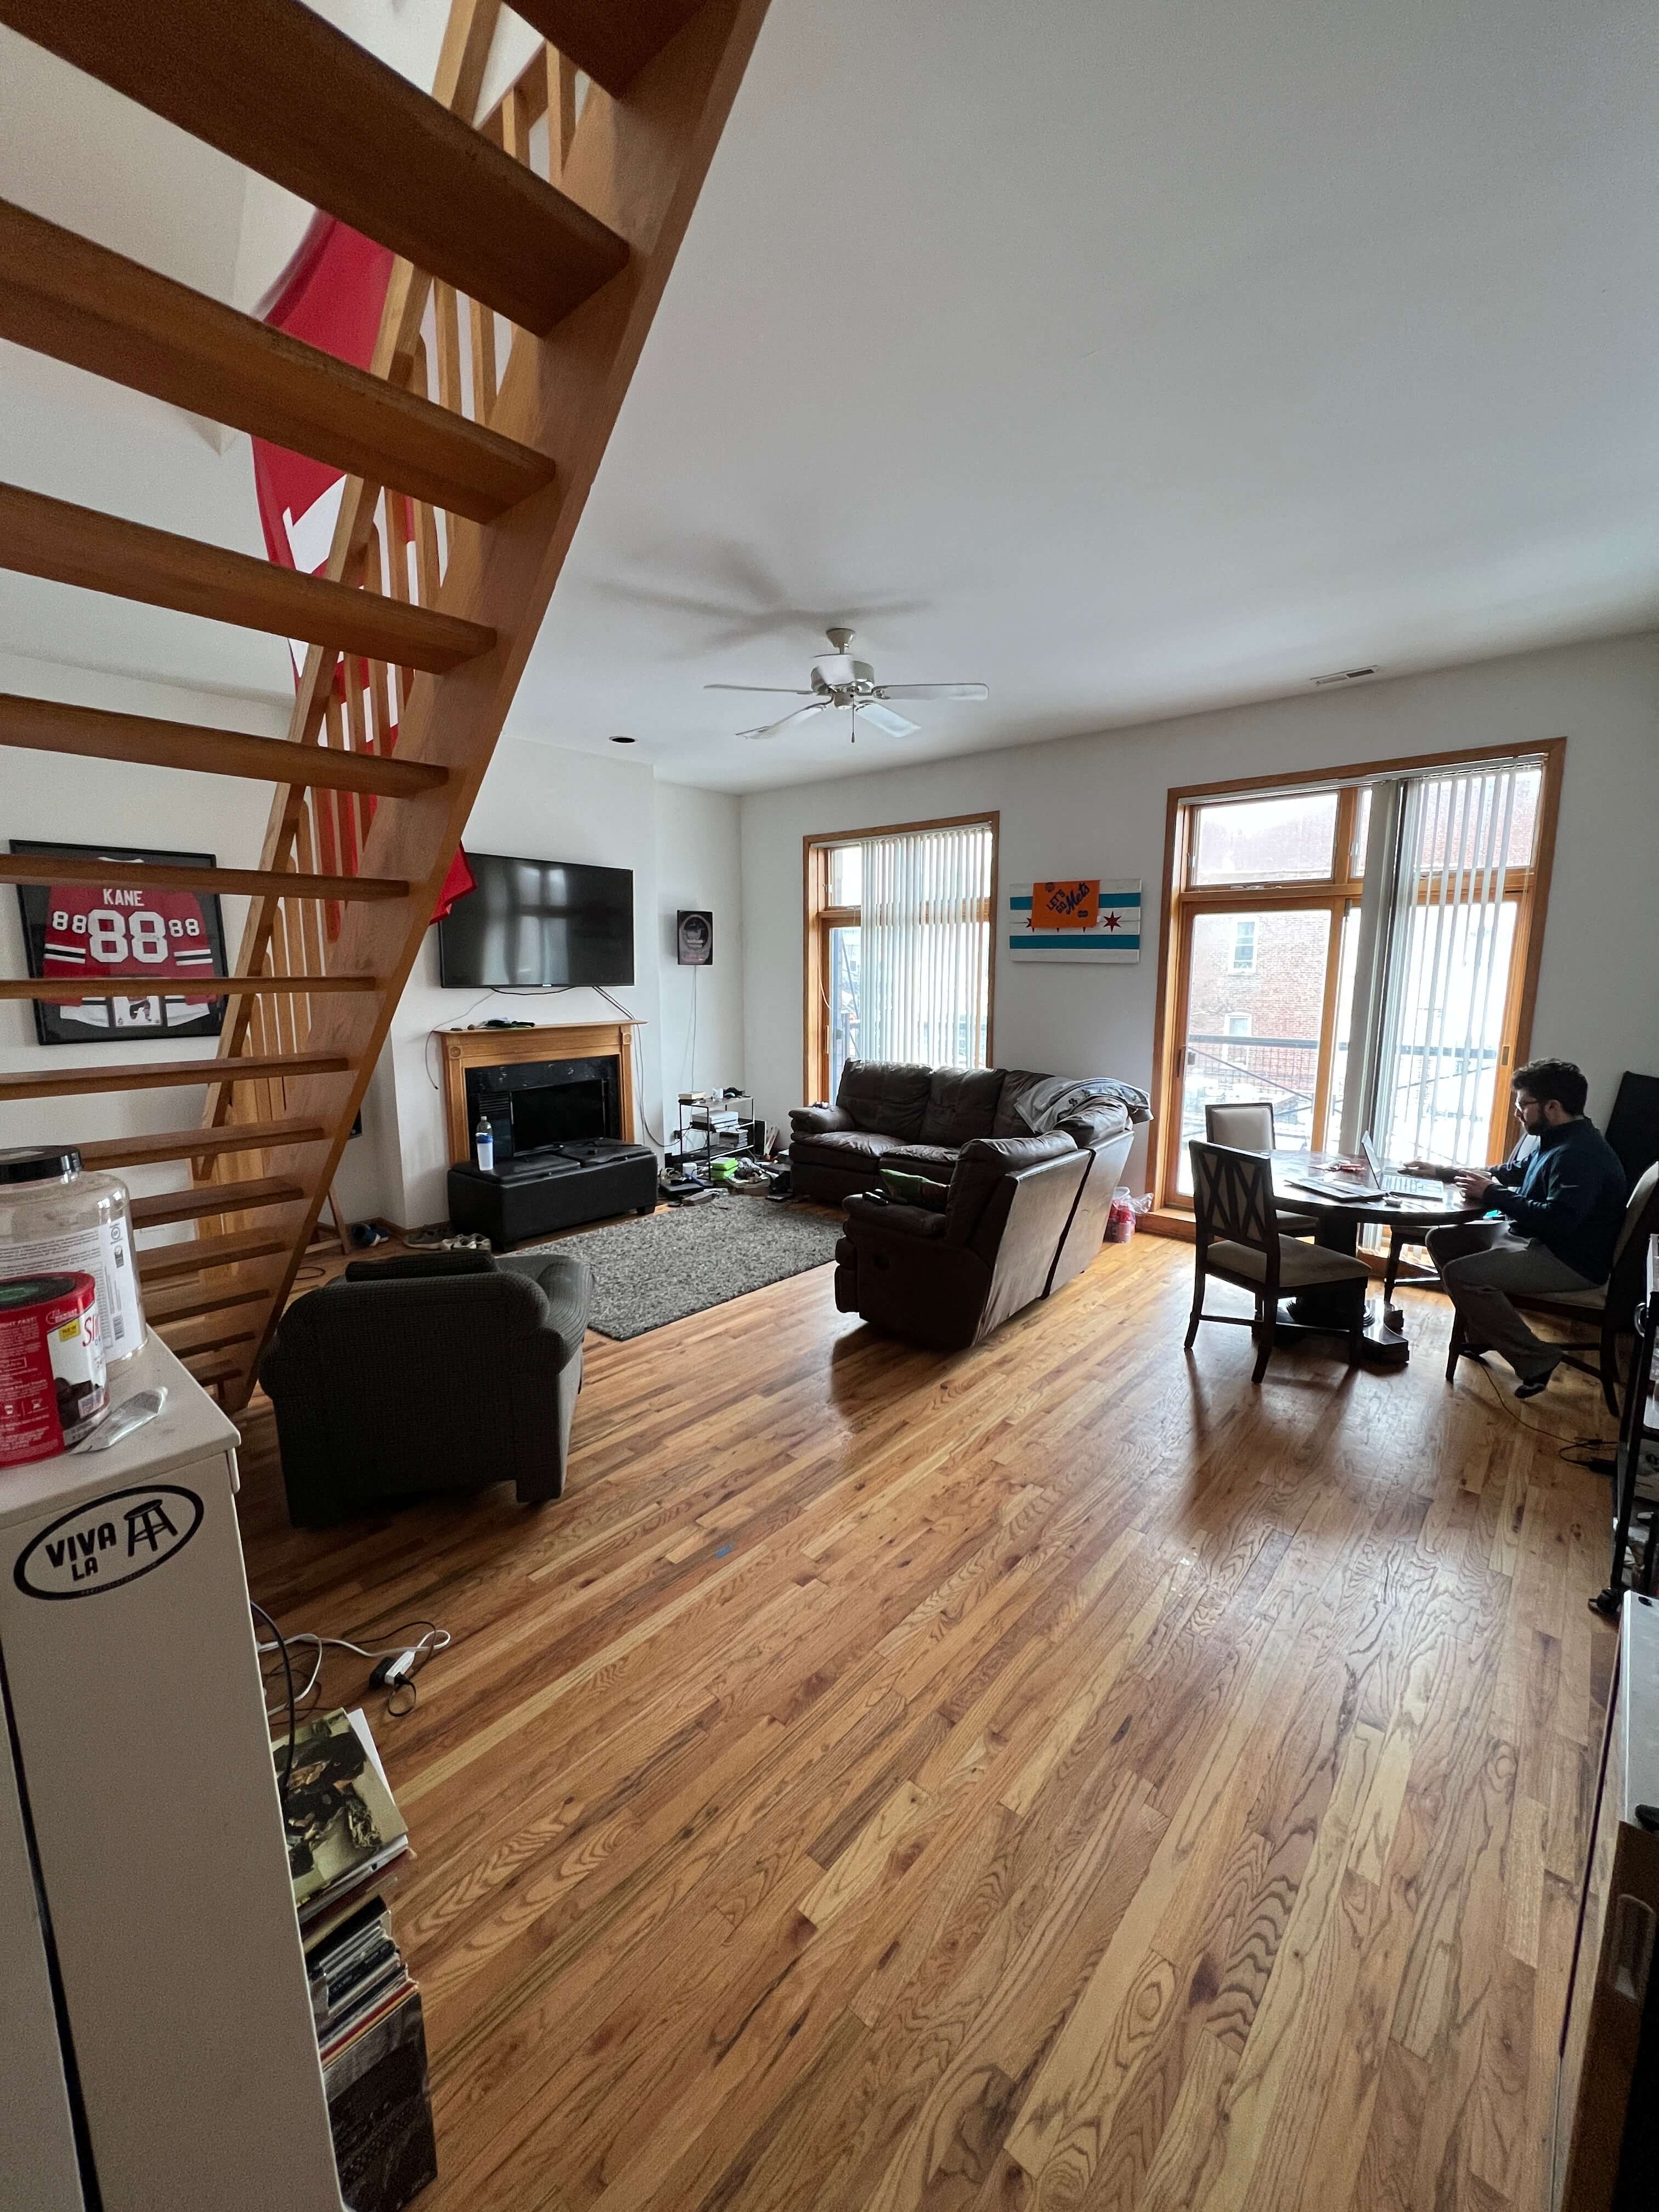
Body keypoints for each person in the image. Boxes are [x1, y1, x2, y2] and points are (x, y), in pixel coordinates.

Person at [1403, 1059, 1628, 1397]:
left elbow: (1559, 1220)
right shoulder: (1559, 1137)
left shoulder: (1579, 1154)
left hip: (1567, 1260)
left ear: (1552, 1106)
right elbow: (1509, 1172)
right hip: (1534, 1239)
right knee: (1442, 1239)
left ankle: (1537, 1358)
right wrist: (1440, 1172)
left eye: (1523, 1104)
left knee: (1462, 1275)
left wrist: (1493, 1194)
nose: (1517, 1112)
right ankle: (1483, 1332)